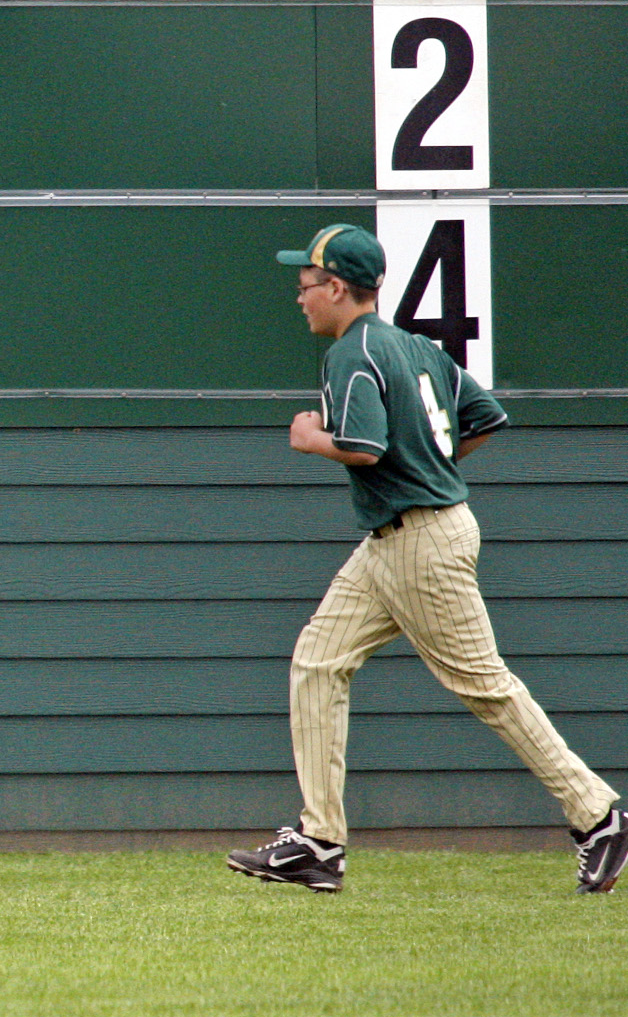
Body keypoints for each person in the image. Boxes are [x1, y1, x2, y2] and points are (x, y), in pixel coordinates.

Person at [228, 223, 628, 894]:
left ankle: (598, 815)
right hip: (396, 538)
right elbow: (485, 417)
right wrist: (428, 469)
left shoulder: (352, 353)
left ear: (336, 287)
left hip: (421, 541)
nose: (299, 298)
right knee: (318, 661)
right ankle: (320, 844)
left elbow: (363, 446)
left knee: (486, 687)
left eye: (305, 286)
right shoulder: (414, 347)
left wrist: (311, 439)